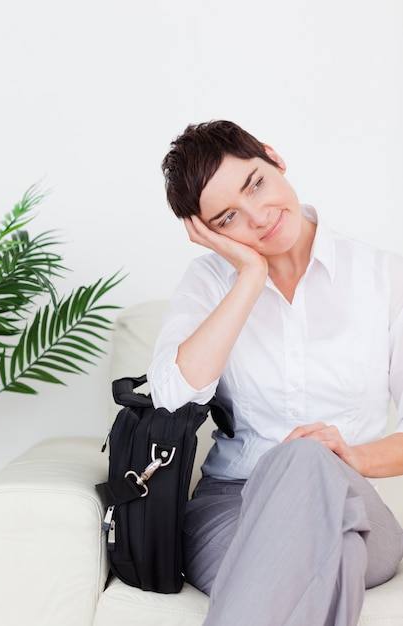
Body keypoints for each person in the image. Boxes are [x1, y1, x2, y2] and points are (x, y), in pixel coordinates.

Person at [147, 120, 403, 626]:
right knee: (329, 563)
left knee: (306, 459)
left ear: (273, 157)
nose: (258, 217)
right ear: (209, 234)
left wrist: (350, 455)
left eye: (256, 183)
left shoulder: (384, 278)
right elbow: (170, 397)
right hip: (231, 508)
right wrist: (250, 276)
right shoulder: (208, 284)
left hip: (353, 500)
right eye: (228, 218)